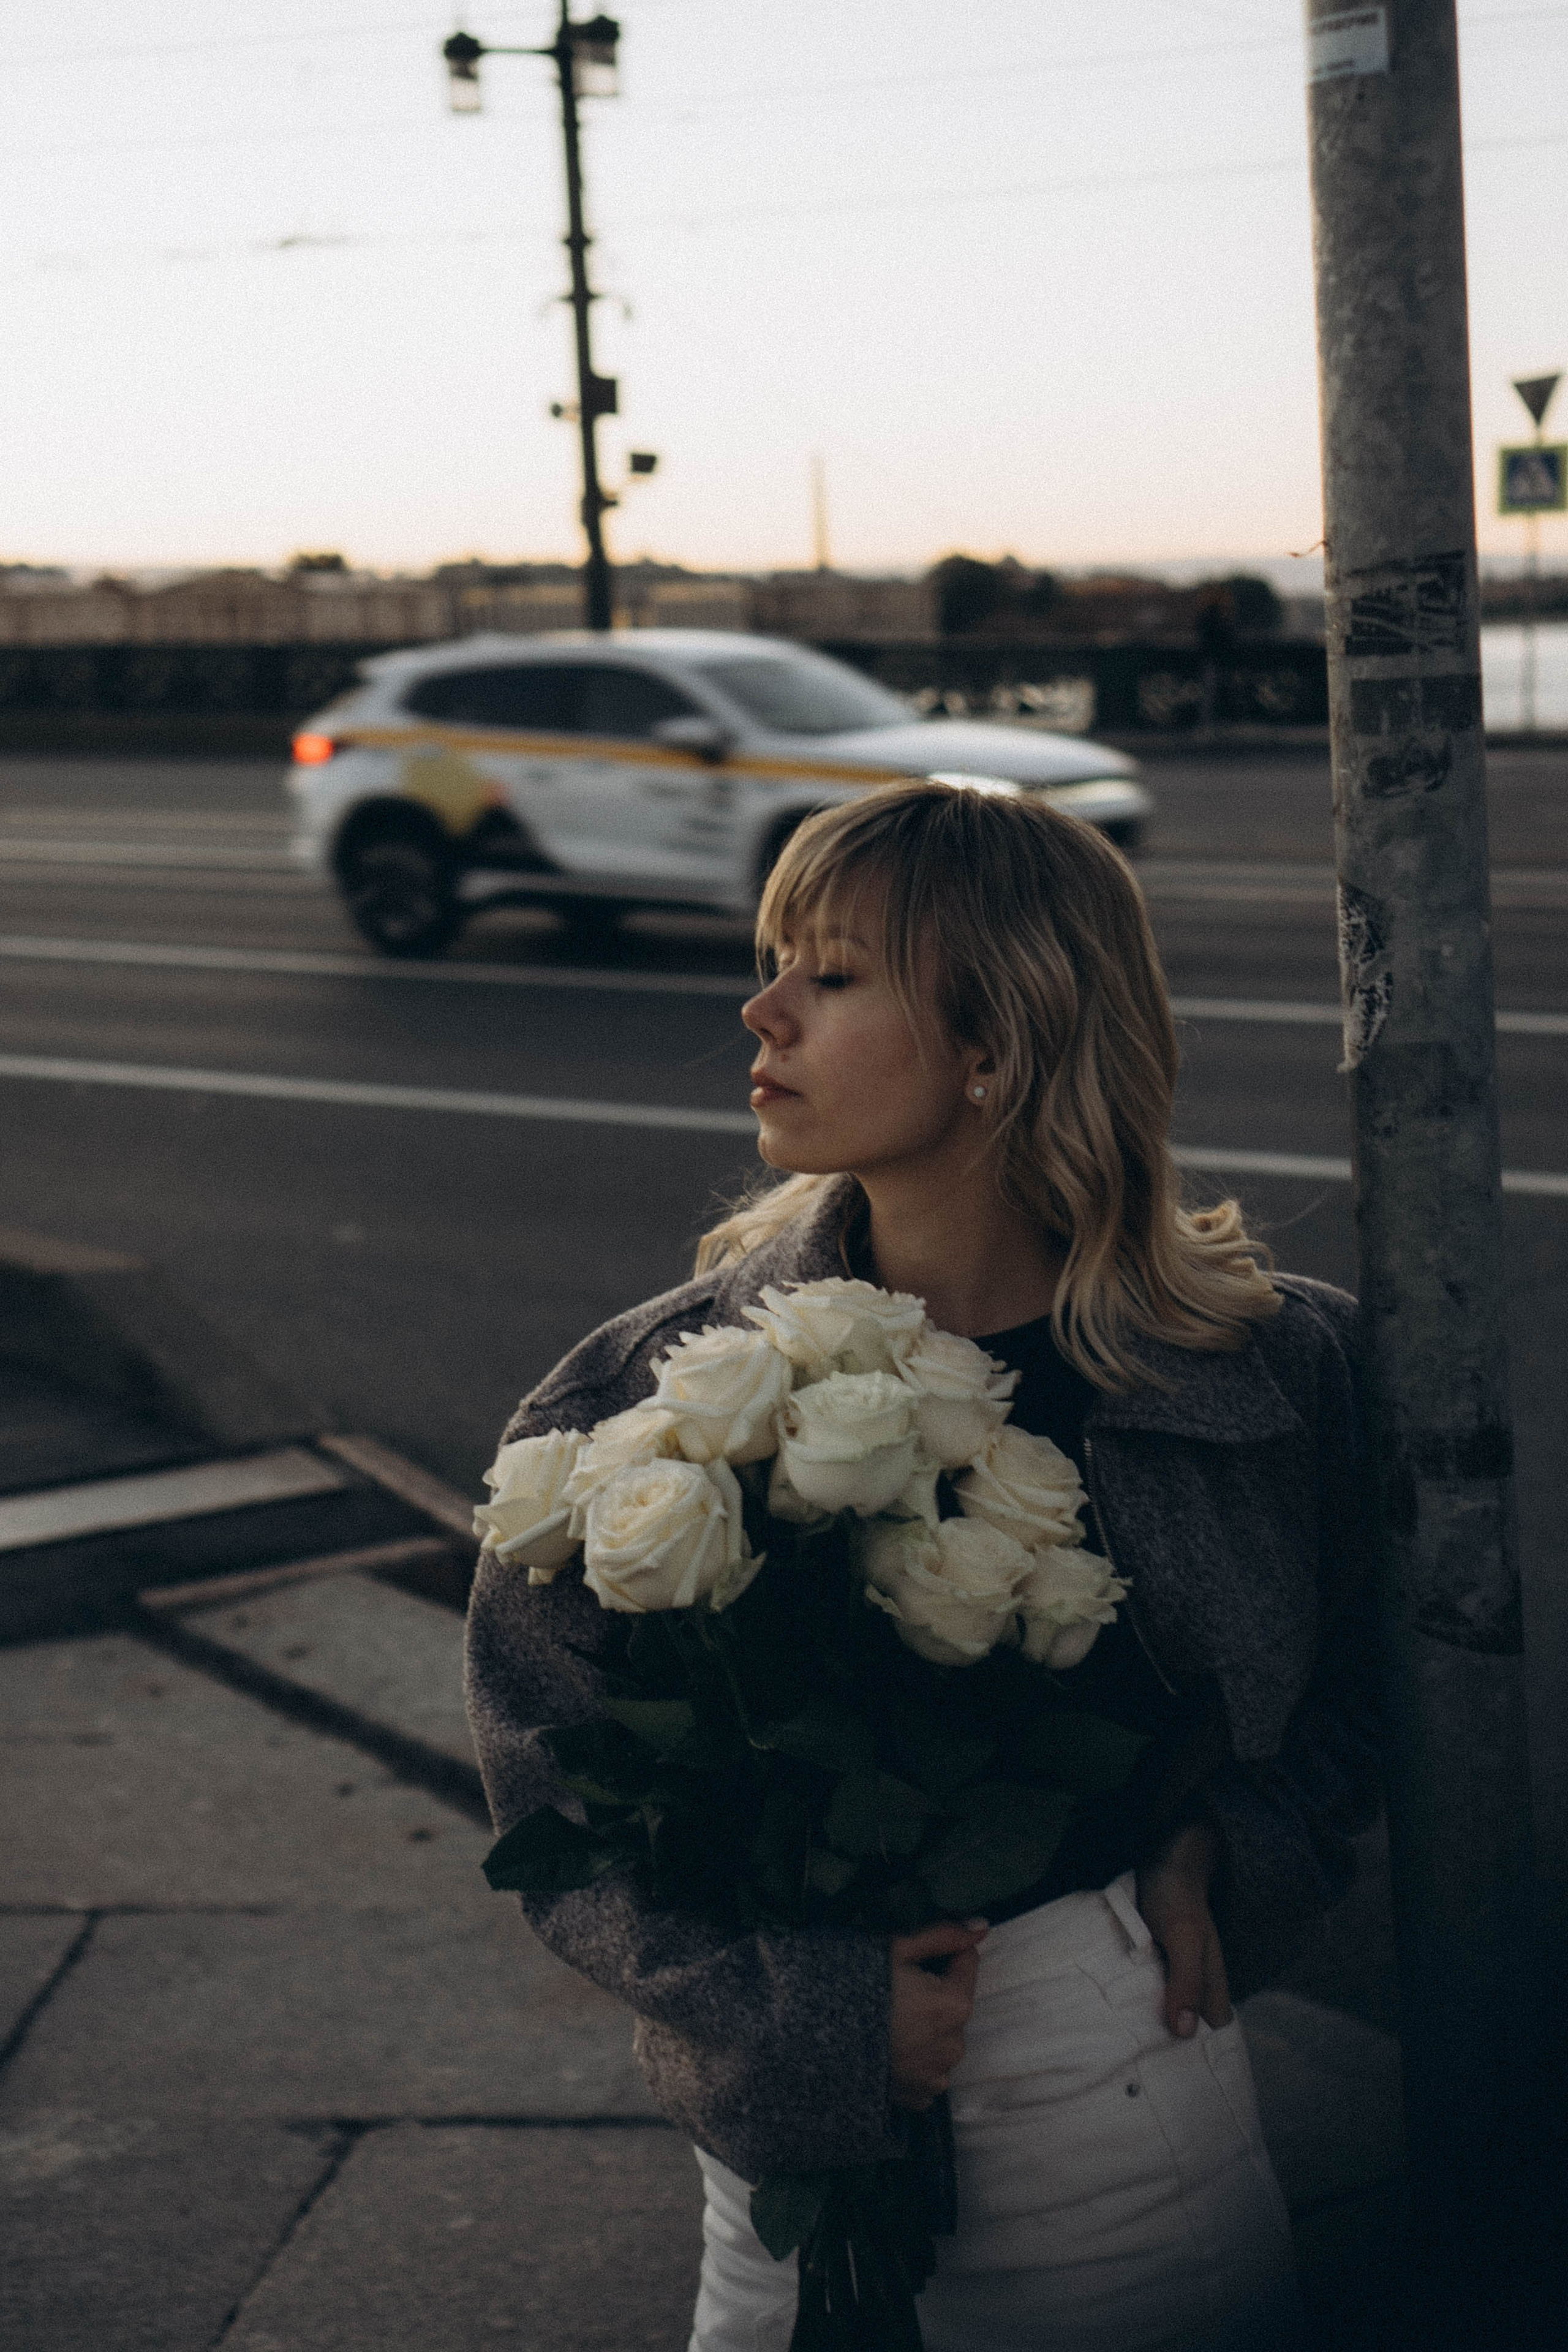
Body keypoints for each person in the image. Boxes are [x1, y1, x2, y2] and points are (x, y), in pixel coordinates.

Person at [465, 781, 1379, 2352]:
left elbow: (1388, 1681)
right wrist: (809, 2025)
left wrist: (1232, 1846)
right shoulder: (653, 1395)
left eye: (829, 975)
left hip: (1126, 2116)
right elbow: (557, 1793)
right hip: (774, 2175)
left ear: (994, 1042)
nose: (758, 1010)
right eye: (775, 961)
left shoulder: (1273, 1370)